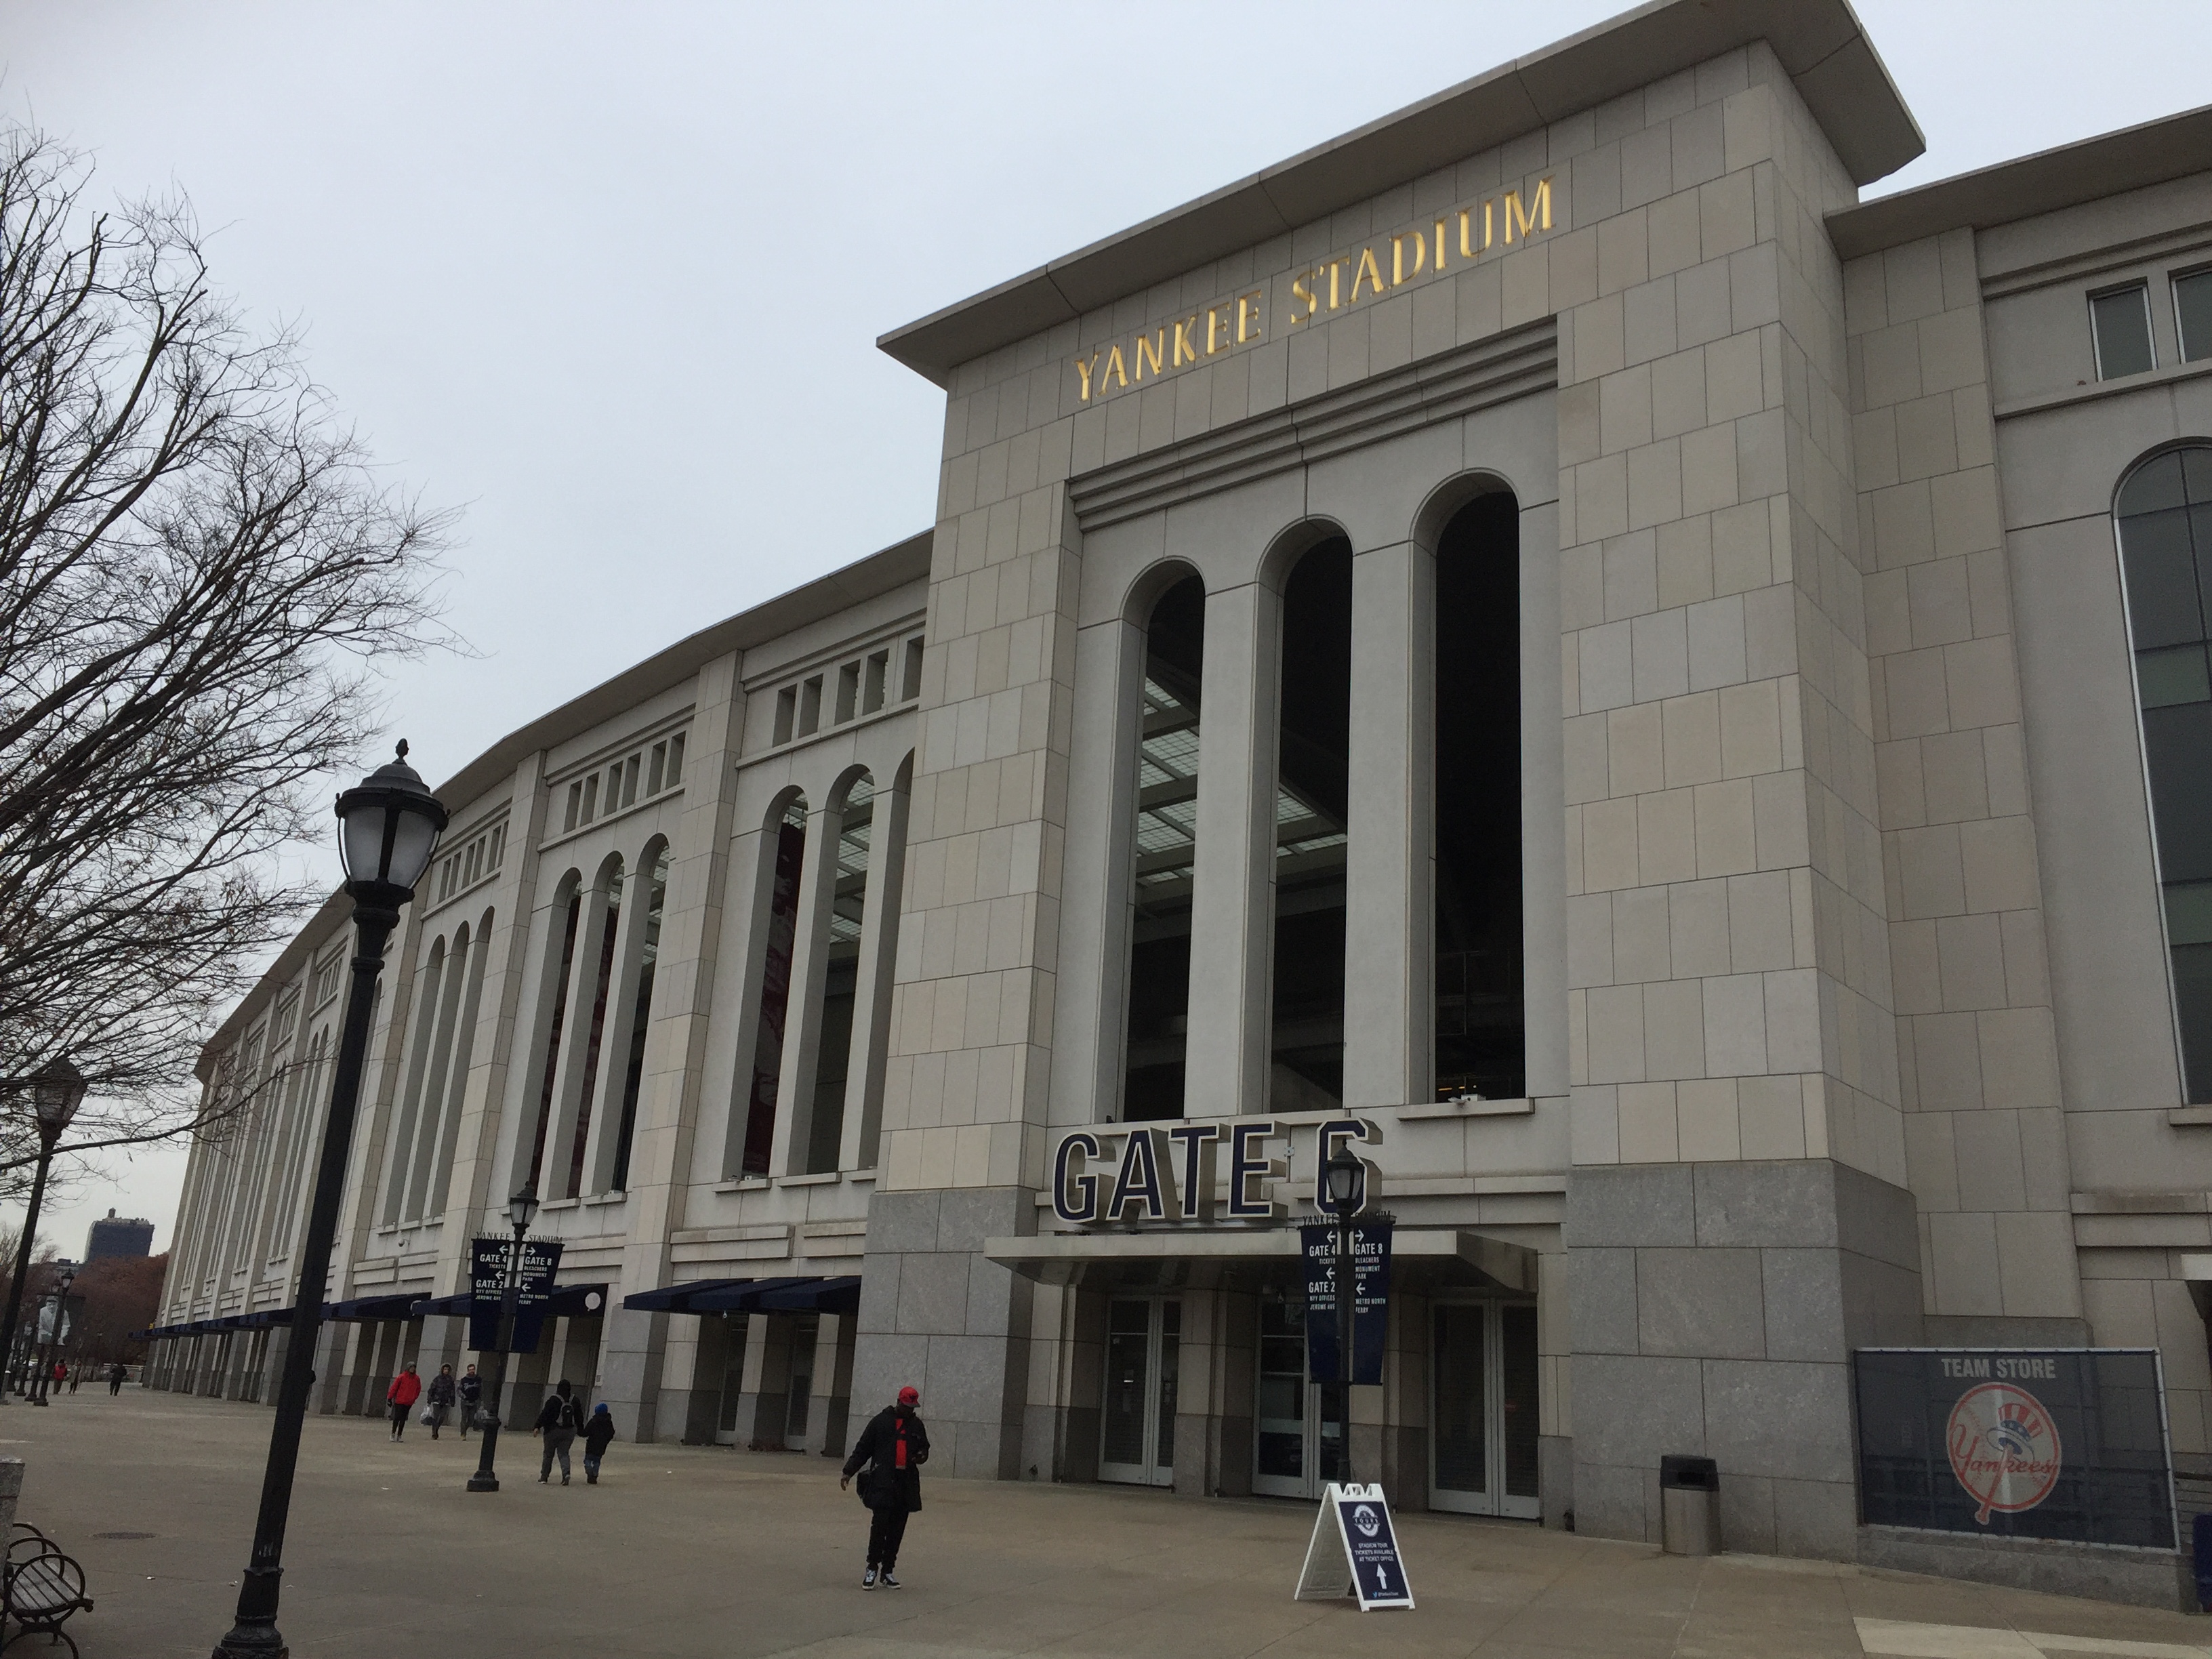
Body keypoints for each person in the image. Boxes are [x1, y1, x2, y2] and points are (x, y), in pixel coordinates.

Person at [840, 1385, 928, 1590]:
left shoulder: (916, 1425)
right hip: (882, 1482)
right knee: (879, 1526)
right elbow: (863, 1449)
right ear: (899, 1402)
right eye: (907, 1406)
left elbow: (924, 1448)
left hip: (905, 1484)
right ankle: (872, 1568)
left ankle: (888, 1570)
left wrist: (922, 1456)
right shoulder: (880, 1422)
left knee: (897, 1529)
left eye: (913, 1407)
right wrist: (848, 1471)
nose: (910, 1410)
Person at [533, 1379, 586, 1484]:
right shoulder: (574, 1400)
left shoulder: (553, 1400)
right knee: (564, 1454)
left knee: (548, 1454)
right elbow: (579, 1416)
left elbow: (545, 1414)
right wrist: (581, 1430)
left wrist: (537, 1426)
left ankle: (544, 1477)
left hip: (552, 1431)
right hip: (569, 1432)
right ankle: (566, 1474)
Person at [581, 1401, 616, 1484]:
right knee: (597, 1461)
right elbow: (611, 1433)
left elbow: (586, 1432)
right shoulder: (608, 1422)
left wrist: (581, 1432)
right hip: (601, 1445)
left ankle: (589, 1470)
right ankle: (595, 1475)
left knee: (588, 1459)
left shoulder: (593, 1421)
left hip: (591, 1444)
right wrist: (606, 1440)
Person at [385, 1363, 422, 1440]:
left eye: (414, 1368)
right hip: (400, 1401)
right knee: (397, 1417)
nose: (413, 1369)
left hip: (409, 1402)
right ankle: (393, 1433)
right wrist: (390, 1398)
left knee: (403, 1419)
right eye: (411, 1367)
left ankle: (399, 1435)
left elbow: (418, 1389)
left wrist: (414, 1398)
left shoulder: (417, 1379)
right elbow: (394, 1388)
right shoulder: (401, 1377)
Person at [425, 1364, 456, 1439]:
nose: (446, 1371)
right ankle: (434, 1432)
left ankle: (436, 1429)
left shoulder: (450, 1380)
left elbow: (452, 1391)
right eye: (445, 1369)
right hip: (437, 1400)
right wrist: (429, 1399)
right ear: (442, 1370)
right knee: (436, 1417)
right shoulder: (437, 1379)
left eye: (448, 1370)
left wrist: (452, 1401)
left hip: (445, 1401)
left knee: (442, 1417)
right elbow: (431, 1389)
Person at [457, 1364, 482, 1438]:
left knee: (471, 1419)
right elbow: (459, 1390)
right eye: (470, 1369)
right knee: (464, 1417)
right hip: (465, 1402)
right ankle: (463, 1434)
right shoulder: (464, 1380)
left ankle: (464, 1430)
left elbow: (481, 1390)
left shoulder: (478, 1380)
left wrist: (480, 1400)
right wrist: (464, 1397)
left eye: (473, 1369)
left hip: (474, 1402)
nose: (472, 1371)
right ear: (468, 1370)